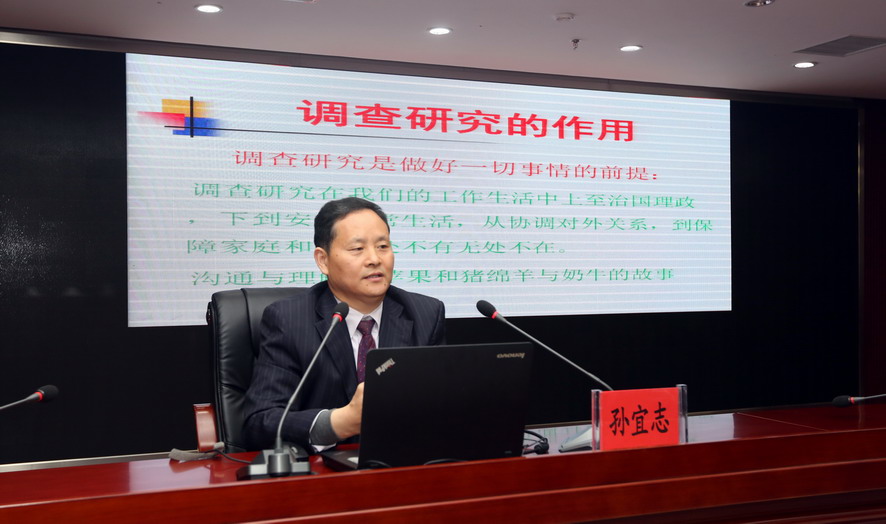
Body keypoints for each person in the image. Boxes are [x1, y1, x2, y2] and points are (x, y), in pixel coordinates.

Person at [242, 197, 446, 450]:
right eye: (357, 249)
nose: (374, 259)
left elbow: (441, 408)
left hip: (402, 462)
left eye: (383, 246)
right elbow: (260, 422)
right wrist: (338, 423)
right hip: (323, 468)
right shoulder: (288, 320)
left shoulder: (425, 314)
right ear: (323, 260)